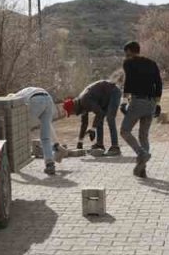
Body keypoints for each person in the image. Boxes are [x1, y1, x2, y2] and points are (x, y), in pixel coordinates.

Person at [119, 41, 162, 178]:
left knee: (125, 131)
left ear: (130, 51)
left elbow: (128, 82)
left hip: (138, 101)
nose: (125, 55)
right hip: (151, 103)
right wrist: (157, 102)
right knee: (143, 135)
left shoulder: (128, 63)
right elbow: (159, 83)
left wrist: (124, 101)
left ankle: (141, 153)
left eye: (126, 52)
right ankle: (142, 168)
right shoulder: (152, 63)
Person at [62, 79, 122, 155]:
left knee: (110, 118)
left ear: (73, 108)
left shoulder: (84, 100)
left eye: (71, 112)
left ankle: (115, 147)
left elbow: (99, 113)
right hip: (104, 98)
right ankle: (100, 144)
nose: (73, 114)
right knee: (98, 121)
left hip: (113, 92)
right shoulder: (81, 105)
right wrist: (80, 142)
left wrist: (93, 129)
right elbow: (84, 124)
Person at [14, 86, 60, 175]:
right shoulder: (26, 90)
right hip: (48, 99)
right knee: (45, 137)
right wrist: (56, 142)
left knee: (22, 129)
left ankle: (19, 159)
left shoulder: (16, 97)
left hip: (35, 100)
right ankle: (50, 164)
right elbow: (49, 126)